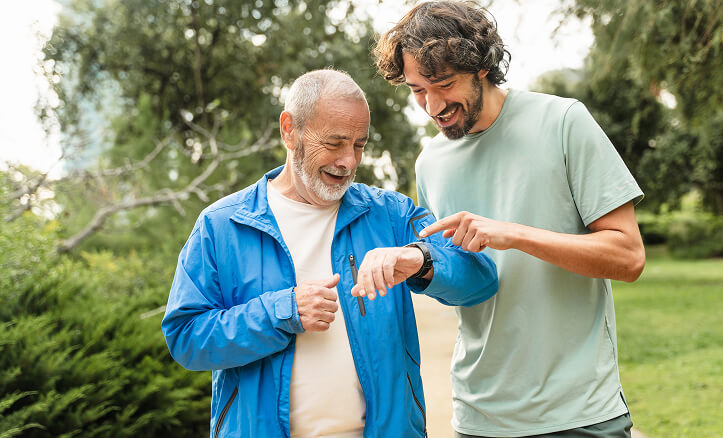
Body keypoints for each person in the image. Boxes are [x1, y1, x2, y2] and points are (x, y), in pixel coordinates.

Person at [161, 69, 497, 438]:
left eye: (359, 145)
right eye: (335, 142)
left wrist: (421, 260)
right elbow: (186, 338)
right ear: (289, 129)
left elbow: (480, 278)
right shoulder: (221, 225)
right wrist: (283, 311)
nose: (349, 161)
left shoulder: (392, 214)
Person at [374, 2, 646, 438]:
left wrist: (515, 234)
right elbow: (464, 284)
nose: (432, 106)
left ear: (481, 66)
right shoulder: (430, 163)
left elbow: (629, 256)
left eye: (443, 84)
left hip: (578, 413)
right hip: (479, 417)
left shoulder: (563, 122)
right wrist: (423, 266)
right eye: (417, 90)